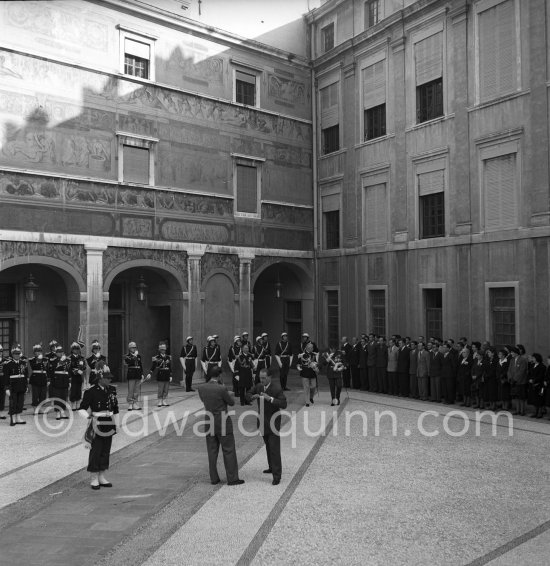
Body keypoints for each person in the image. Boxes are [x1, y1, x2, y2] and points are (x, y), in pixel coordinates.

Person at [197, 366, 244, 486]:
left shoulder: (201, 388)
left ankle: (214, 478)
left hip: (209, 421)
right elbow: (231, 402)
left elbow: (204, 400)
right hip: (222, 421)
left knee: (212, 451)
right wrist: (227, 391)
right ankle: (232, 478)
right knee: (228, 450)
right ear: (219, 375)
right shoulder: (221, 388)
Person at [79, 362, 119, 490]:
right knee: (96, 450)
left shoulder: (112, 390)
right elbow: (81, 408)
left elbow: (116, 409)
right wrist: (88, 417)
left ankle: (102, 475)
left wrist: (117, 424)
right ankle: (94, 477)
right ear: (100, 378)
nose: (110, 379)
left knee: (105, 451)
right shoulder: (91, 391)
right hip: (97, 423)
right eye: (107, 378)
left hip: (109, 422)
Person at [247, 368, 287, 485]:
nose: (262, 379)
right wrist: (251, 396)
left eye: (264, 378)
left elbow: (283, 404)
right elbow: (247, 394)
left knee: (274, 449)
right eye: (260, 377)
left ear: (270, 377)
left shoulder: (276, 388)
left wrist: (270, 399)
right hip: (262, 422)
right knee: (268, 446)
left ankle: (277, 476)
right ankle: (271, 467)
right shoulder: (259, 386)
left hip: (273, 423)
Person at [4, 344, 28, 426]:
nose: (17, 355)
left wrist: (26, 386)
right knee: (13, 403)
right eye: (15, 354)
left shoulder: (23, 363)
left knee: (20, 402)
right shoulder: (8, 364)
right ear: (12, 354)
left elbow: (25, 375)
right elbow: (6, 377)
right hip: (12, 387)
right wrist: (6, 388)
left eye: (18, 354)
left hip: (21, 385)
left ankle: (18, 417)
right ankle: (13, 418)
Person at [49, 344, 72, 419]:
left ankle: (63, 412)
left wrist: (70, 381)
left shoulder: (67, 360)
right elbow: (52, 370)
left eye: (61, 352)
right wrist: (61, 362)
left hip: (65, 380)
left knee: (63, 397)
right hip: (56, 381)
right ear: (56, 353)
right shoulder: (53, 360)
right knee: (57, 397)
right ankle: (57, 413)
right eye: (58, 352)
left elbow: (69, 371)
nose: (60, 353)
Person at [147, 342, 172, 407]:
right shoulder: (156, 357)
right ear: (159, 350)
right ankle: (160, 400)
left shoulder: (168, 357)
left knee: (166, 389)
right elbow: (153, 366)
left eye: (164, 349)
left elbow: (170, 367)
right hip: (161, 374)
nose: (163, 350)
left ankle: (164, 400)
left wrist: (171, 375)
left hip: (167, 374)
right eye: (162, 349)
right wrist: (150, 373)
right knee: (161, 389)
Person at [28, 343, 48, 413]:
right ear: (34, 352)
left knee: (43, 395)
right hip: (35, 379)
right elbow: (34, 367)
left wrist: (48, 379)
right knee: (35, 395)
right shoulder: (32, 359)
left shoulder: (45, 359)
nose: (38, 352)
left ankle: (41, 408)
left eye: (39, 351)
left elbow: (47, 369)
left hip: (43, 379)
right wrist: (39, 360)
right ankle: (35, 408)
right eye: (36, 351)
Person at [508, 346, 528, 416]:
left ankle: (522, 411)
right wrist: (510, 378)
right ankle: (517, 410)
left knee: (522, 397)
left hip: (521, 381)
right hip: (513, 381)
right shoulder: (512, 360)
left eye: (512, 352)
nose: (511, 353)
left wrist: (515, 379)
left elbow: (522, 371)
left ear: (516, 353)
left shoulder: (523, 360)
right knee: (516, 396)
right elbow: (509, 370)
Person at [124, 341, 144, 410]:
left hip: (138, 374)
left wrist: (142, 374)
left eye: (135, 347)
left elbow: (140, 365)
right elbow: (130, 362)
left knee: (137, 390)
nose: (134, 349)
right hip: (131, 374)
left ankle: (135, 403)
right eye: (132, 347)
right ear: (129, 348)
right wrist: (134, 356)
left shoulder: (139, 356)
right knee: (131, 390)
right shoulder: (127, 356)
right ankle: (130, 403)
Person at [298, 342, 318, 407]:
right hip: (305, 372)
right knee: (306, 388)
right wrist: (298, 368)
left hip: (312, 373)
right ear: (307, 348)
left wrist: (315, 366)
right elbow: (298, 363)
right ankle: (307, 402)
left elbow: (316, 363)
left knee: (313, 386)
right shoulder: (302, 355)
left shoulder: (314, 355)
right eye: (311, 348)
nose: (312, 348)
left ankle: (311, 397)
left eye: (312, 348)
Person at [69, 341, 86, 411]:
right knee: (73, 390)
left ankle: (78, 403)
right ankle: (73, 403)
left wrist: (79, 371)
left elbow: (84, 367)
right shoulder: (69, 358)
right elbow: (68, 368)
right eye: (74, 349)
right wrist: (73, 371)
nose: (76, 350)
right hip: (72, 377)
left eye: (77, 349)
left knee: (79, 390)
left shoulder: (81, 358)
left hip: (79, 376)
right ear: (72, 350)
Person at [527, 353, 546, 418]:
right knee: (534, 399)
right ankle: (535, 412)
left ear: (537, 358)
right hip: (532, 385)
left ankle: (540, 413)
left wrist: (534, 380)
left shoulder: (542, 366)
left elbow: (541, 376)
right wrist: (529, 379)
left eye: (533, 358)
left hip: (539, 385)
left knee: (539, 399)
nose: (532, 359)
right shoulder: (532, 365)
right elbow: (529, 374)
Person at [0, 344, 6, 420]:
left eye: (1, 351)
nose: (0, 352)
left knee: (2, 396)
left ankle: (0, 412)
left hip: (2, 380)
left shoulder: (5, 360)